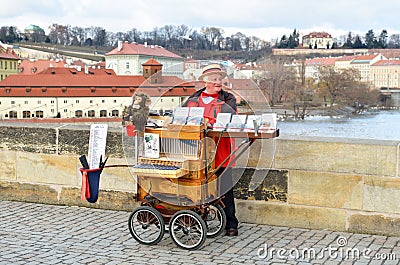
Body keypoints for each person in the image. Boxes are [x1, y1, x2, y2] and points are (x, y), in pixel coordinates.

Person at [182, 64, 239, 236]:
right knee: (198, 185)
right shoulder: (193, 99)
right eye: (214, 79)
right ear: (205, 81)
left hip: (221, 149)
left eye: (220, 79)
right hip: (199, 151)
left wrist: (206, 121)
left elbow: (229, 117)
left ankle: (231, 223)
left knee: (225, 186)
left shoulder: (228, 98)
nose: (218, 82)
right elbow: (183, 117)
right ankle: (200, 218)